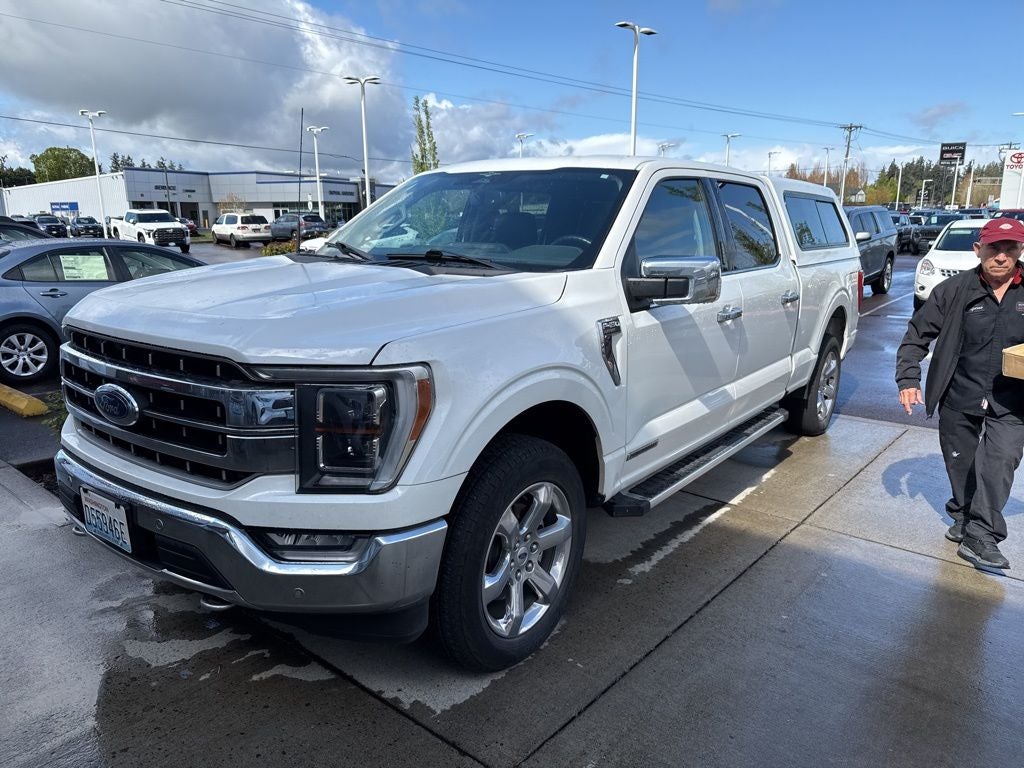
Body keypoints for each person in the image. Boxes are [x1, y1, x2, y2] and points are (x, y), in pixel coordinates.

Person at [896, 216, 1024, 571]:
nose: (1001, 256)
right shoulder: (953, 291)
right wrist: (908, 379)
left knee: (1000, 462)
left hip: (1013, 400)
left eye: (1009, 248)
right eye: (993, 248)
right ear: (978, 249)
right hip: (960, 393)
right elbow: (916, 335)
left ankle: (981, 535)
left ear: (1019, 250)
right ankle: (965, 516)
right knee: (961, 464)